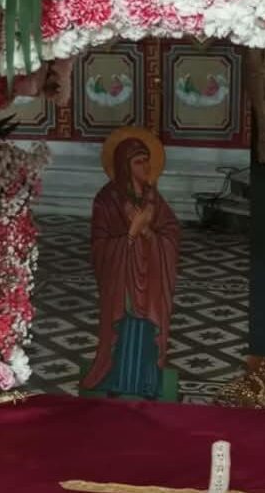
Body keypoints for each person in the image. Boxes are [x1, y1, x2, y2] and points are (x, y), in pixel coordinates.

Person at [81, 134, 180, 398]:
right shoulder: (106, 199)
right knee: (126, 327)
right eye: (138, 162)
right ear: (124, 166)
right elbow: (99, 245)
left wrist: (146, 232)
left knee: (147, 328)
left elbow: (171, 233)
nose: (146, 166)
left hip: (150, 280)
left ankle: (147, 383)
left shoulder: (152, 197)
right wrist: (130, 235)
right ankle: (118, 380)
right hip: (122, 281)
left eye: (147, 160)